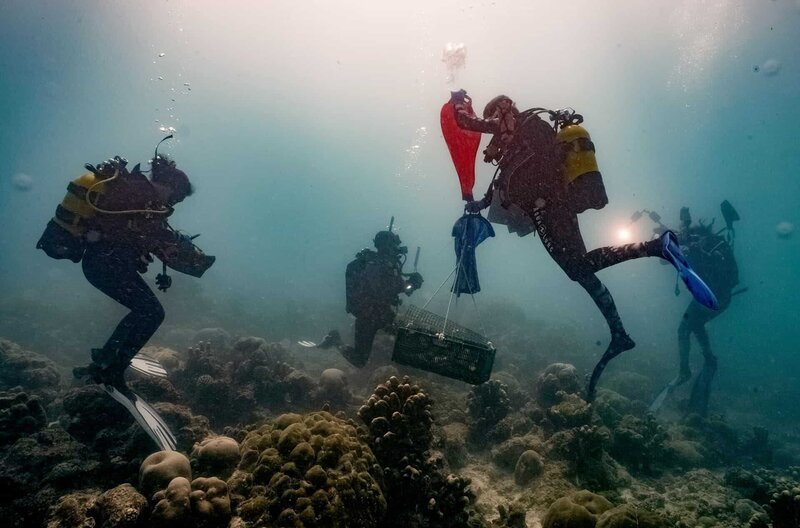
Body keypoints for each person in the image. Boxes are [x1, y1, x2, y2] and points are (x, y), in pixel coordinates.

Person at [450, 91, 718, 400]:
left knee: (576, 267)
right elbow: (498, 189)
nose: (494, 123)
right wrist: (478, 204)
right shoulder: (524, 138)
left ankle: (657, 247)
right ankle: (618, 332)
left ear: (502, 108)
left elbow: (465, 122)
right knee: (583, 272)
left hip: (546, 208)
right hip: (557, 204)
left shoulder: (516, 125)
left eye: (493, 114)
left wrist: (457, 101)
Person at [71, 152, 196, 391]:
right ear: (168, 185)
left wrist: (161, 248)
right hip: (104, 265)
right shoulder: (138, 194)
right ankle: (111, 369)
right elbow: (130, 232)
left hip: (105, 265)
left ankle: (104, 362)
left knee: (147, 311)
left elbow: (137, 235)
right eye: (176, 197)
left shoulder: (141, 197)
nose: (174, 203)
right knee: (151, 312)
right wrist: (165, 242)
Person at [652, 206, 740, 416]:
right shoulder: (696, 246)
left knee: (685, 328)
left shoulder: (711, 247)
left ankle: (685, 371)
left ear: (701, 236)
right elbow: (665, 259)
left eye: (692, 238)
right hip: (709, 297)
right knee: (694, 324)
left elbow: (718, 271)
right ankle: (709, 358)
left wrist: (689, 248)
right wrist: (663, 240)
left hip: (715, 298)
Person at [316, 229, 424, 367]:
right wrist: (409, 284)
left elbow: (396, 287)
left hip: (380, 314)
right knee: (360, 359)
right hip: (368, 316)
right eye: (394, 245)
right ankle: (335, 340)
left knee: (404, 335)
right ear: (387, 246)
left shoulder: (387, 264)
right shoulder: (376, 264)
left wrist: (411, 285)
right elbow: (382, 289)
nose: (397, 248)